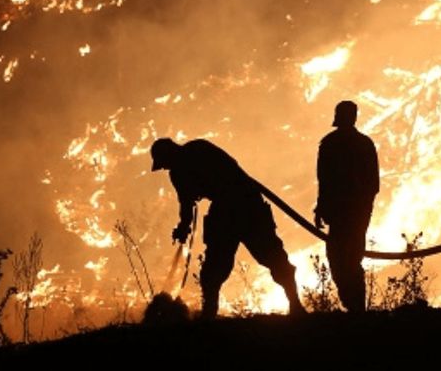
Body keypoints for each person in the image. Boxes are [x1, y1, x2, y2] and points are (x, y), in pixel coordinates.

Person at [151, 137, 305, 318]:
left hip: (245, 206)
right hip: (230, 209)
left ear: (170, 153)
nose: (165, 168)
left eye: (164, 163)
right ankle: (209, 315)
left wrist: (185, 223)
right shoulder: (179, 171)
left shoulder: (198, 151)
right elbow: (186, 203)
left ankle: (295, 305)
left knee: (272, 257)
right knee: (214, 270)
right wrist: (183, 227)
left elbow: (230, 172)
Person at [314, 101, 379, 312]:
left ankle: (355, 308)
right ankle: (355, 307)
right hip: (353, 214)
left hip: (343, 214)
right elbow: (373, 185)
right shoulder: (364, 144)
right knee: (348, 259)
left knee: (342, 259)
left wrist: (322, 209)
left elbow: (325, 181)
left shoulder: (330, 144)